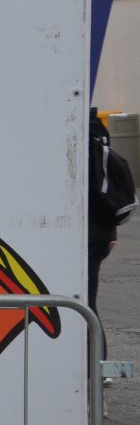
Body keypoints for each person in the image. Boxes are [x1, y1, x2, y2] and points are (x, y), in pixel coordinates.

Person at [89, 110, 135, 311]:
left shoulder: (79, 130)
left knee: (82, 306)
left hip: (89, 234)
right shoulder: (96, 127)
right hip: (100, 231)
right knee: (86, 304)